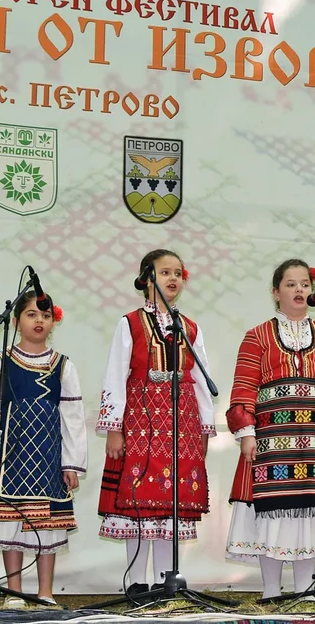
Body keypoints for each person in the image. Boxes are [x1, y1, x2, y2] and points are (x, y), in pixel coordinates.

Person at [225, 261, 315, 599]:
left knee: (310, 516)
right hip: (271, 445)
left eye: (304, 284)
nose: (299, 290)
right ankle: (271, 591)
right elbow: (243, 387)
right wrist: (247, 432)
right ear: (275, 292)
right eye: (290, 284)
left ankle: (304, 591)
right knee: (272, 517)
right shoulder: (257, 335)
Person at [96, 249, 216, 594]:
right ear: (147, 278)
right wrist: (114, 428)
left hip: (181, 422)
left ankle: (167, 580)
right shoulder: (130, 322)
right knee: (138, 499)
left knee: (170, 504)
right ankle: (137, 582)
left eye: (178, 272)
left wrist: (205, 428)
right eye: (165, 272)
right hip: (138, 420)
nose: (173, 278)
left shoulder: (190, 327)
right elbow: (116, 375)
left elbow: (201, 378)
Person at [0, 290, 87, 606]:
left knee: (46, 524)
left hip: (49, 453)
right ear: (17, 320)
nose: (39, 321)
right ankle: (15, 590)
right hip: (9, 454)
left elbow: (73, 417)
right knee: (11, 522)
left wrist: (72, 463)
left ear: (54, 322)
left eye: (45, 316)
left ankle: (46, 591)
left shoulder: (63, 365)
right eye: (32, 314)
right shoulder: (0, 362)